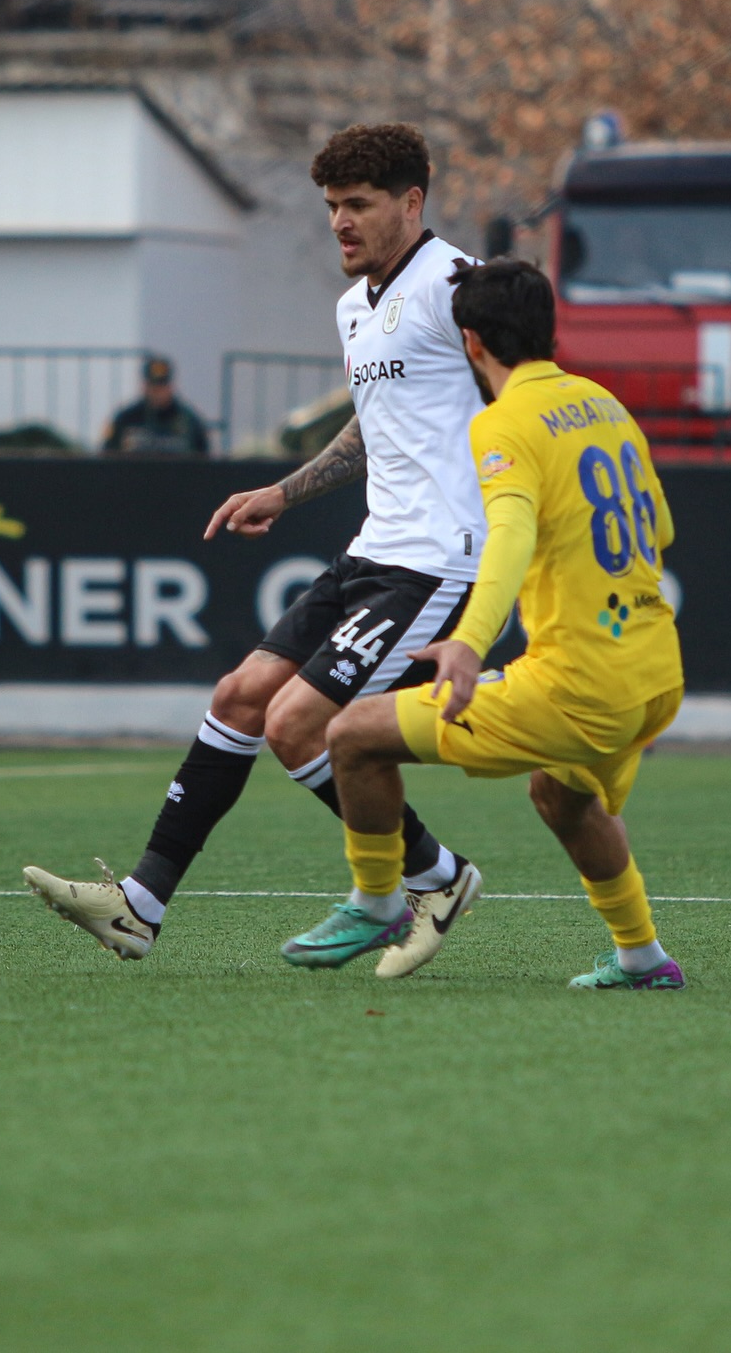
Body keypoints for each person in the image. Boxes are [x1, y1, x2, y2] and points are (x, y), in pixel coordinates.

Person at [25, 122, 489, 978]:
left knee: (296, 725)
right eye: (331, 208)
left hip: (439, 563)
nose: (340, 223)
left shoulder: (458, 287)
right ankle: (141, 905)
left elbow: (523, 389)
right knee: (241, 698)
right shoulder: (356, 307)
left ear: (412, 202)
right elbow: (372, 424)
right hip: (371, 552)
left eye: (359, 205)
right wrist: (285, 491)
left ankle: (417, 884)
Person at [282, 259, 687, 991]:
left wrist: (468, 645)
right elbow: (658, 525)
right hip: (655, 669)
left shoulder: (502, 422)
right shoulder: (602, 403)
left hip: (579, 684)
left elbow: (507, 539)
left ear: (471, 342)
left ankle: (378, 902)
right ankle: (643, 959)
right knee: (561, 795)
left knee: (350, 735)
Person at [102, 357, 210, 457]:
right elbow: (108, 454)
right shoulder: (126, 418)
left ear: (171, 386)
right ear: (144, 385)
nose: (157, 391)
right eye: (153, 386)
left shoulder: (189, 421)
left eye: (162, 386)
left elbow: (203, 460)